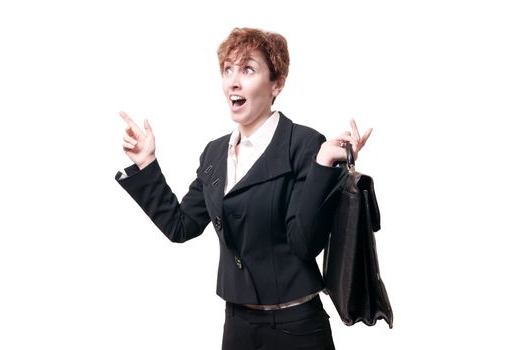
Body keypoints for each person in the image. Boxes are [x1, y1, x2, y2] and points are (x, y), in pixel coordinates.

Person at [116, 27, 372, 350]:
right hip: (237, 326)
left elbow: (305, 244)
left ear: (276, 84)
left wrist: (323, 165)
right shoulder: (214, 154)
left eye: (248, 69)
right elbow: (181, 225)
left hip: (296, 328)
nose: (233, 81)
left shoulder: (304, 145)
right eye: (228, 70)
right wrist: (147, 164)